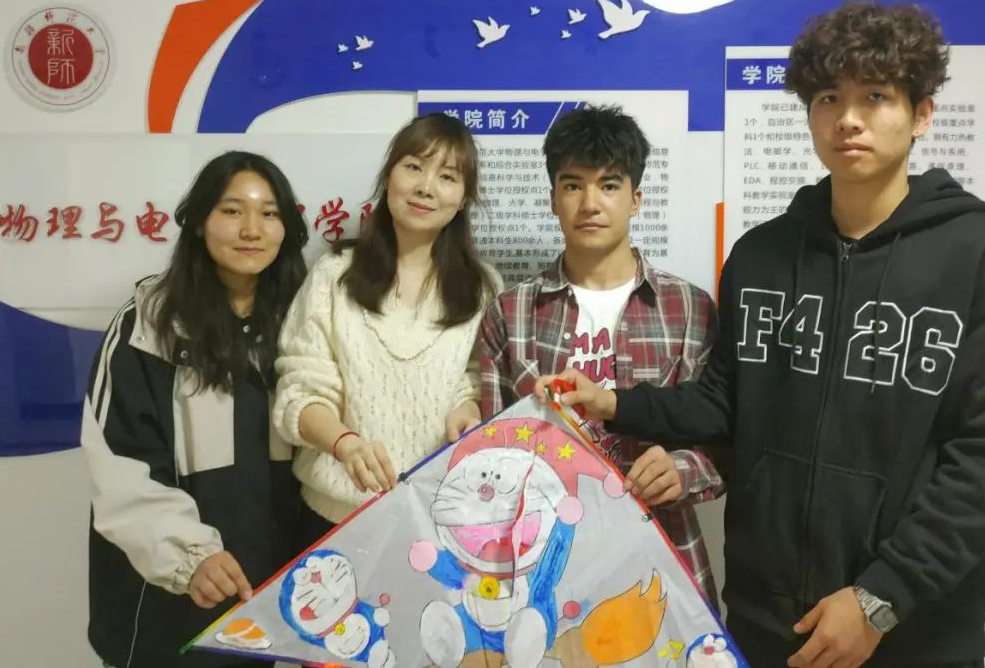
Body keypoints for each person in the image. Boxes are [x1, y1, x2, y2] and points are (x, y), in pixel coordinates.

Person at [538, 1, 985, 668]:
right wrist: (613, 403)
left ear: (922, 113)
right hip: (770, 623)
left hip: (913, 632)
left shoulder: (983, 257)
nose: (848, 119)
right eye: (829, 98)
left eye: (876, 96)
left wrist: (880, 599)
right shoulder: (762, 256)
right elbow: (726, 402)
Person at [466, 104, 726, 603]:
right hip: (543, 567)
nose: (590, 203)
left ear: (636, 199)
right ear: (552, 199)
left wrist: (683, 470)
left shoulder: (689, 309)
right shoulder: (510, 313)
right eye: (572, 185)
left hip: (662, 559)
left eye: (608, 185)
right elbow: (490, 451)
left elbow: (724, 439)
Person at [82, 151, 308, 668]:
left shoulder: (304, 319)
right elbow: (121, 469)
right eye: (232, 210)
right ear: (200, 221)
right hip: (168, 599)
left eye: (269, 213)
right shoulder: (147, 326)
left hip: (277, 595)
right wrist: (190, 558)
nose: (251, 229)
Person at [274, 113, 500, 545]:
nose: (426, 187)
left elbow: (476, 381)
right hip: (334, 519)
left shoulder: (483, 288)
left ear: (463, 198)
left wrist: (470, 410)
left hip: (444, 521)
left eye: (447, 176)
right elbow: (300, 389)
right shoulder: (334, 274)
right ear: (388, 176)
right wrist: (344, 443)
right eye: (414, 167)